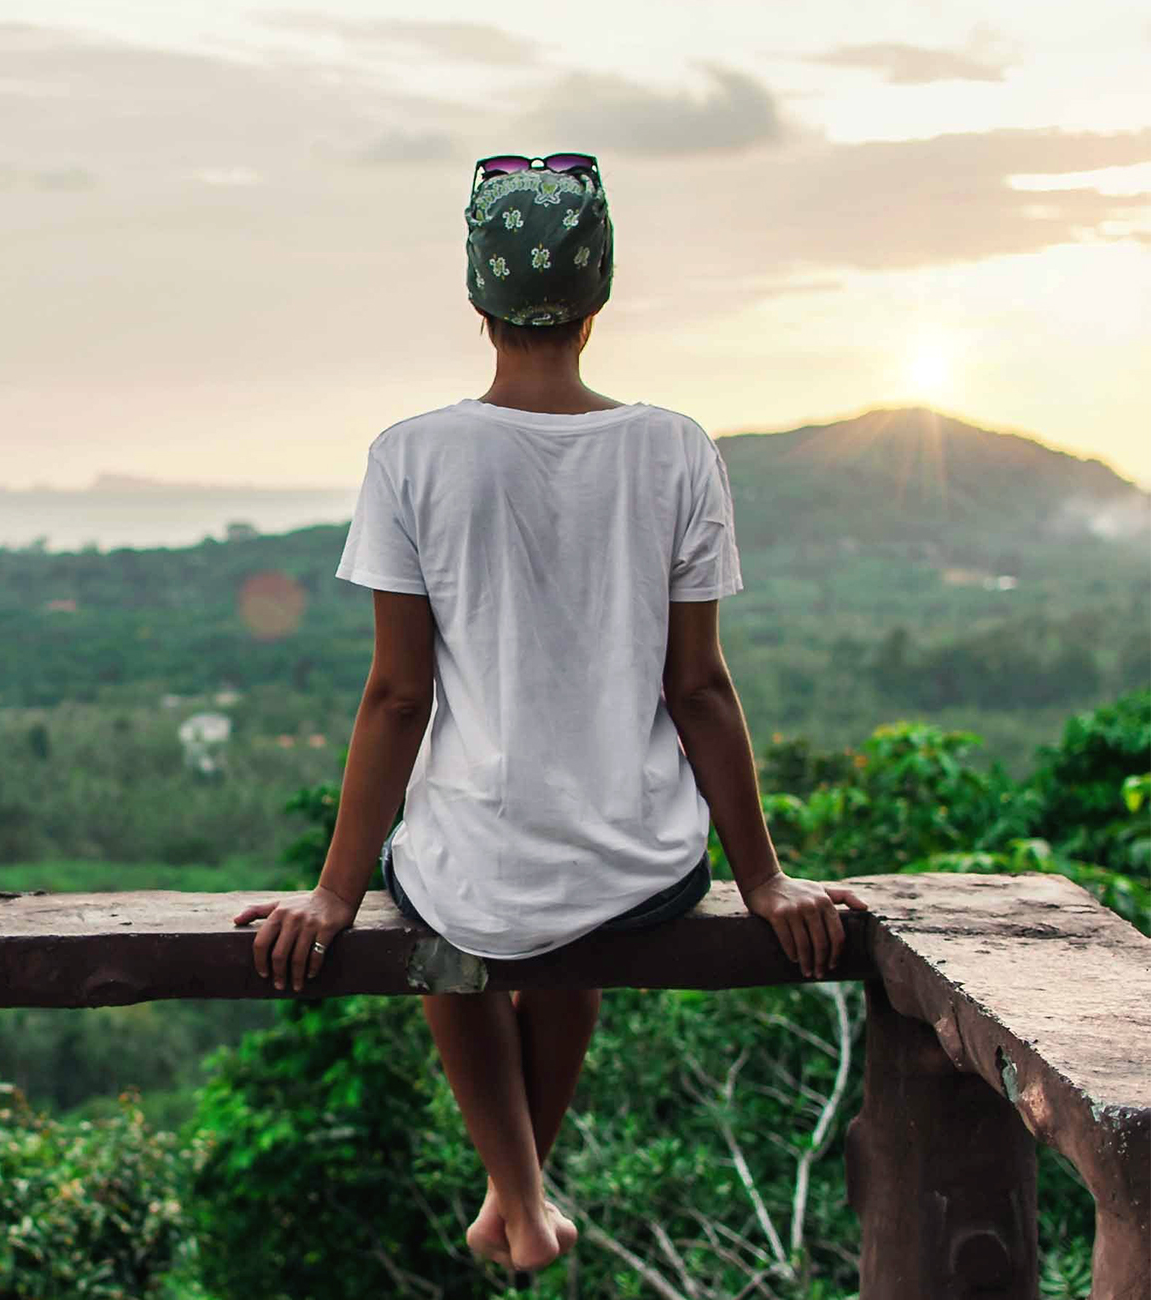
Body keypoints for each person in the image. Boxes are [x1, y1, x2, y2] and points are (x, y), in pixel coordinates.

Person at [231, 153, 869, 1279]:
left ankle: (517, 1195)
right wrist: (763, 876)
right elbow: (699, 687)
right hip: (640, 859)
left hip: (478, 856)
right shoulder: (673, 447)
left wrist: (334, 889)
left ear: (475, 301)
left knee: (451, 912)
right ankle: (521, 1202)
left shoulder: (411, 454)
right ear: (598, 299)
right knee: (570, 920)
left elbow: (396, 693)